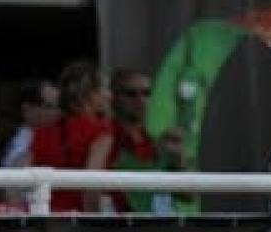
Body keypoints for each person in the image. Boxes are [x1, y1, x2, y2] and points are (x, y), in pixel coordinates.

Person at [88, 68, 192, 214]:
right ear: (114, 97)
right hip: (118, 231)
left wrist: (179, 159)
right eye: (131, 94)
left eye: (146, 93)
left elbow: (187, 196)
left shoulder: (155, 143)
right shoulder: (103, 138)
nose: (141, 100)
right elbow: (90, 192)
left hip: (155, 231)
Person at [27, 60, 113, 212]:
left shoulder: (41, 132)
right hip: (77, 222)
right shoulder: (101, 131)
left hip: (43, 217)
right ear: (88, 95)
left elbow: (24, 180)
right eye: (104, 89)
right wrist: (92, 223)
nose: (109, 95)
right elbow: (92, 183)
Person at [1, 79, 60, 168]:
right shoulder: (21, 140)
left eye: (58, 107)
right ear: (27, 109)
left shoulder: (59, 135)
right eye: (48, 107)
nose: (57, 113)